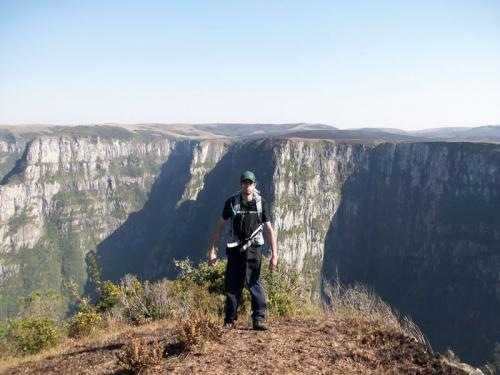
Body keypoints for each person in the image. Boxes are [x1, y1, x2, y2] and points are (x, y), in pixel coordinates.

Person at [207, 170, 278, 330]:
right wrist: (212, 250)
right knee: (233, 283)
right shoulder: (232, 202)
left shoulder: (261, 203)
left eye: (250, 183)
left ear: (254, 185)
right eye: (245, 182)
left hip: (254, 249)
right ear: (241, 184)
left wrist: (275, 254)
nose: (247, 185)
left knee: (254, 281)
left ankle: (258, 319)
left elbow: (269, 229)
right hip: (235, 249)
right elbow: (219, 225)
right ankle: (229, 320)